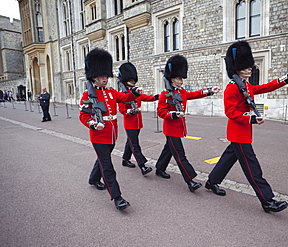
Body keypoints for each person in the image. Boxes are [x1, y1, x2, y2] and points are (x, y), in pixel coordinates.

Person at [205, 41, 288, 213]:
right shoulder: (232, 88)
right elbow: (231, 112)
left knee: (228, 158)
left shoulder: (246, 85)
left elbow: (265, 87)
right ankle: (267, 200)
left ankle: (212, 181)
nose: (250, 68)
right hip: (238, 134)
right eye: (246, 66)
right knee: (253, 167)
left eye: (250, 66)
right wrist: (250, 119)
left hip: (242, 133)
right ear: (237, 68)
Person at [79, 48, 143, 210]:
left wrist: (135, 92)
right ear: (94, 76)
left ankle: (93, 179)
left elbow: (125, 98)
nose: (105, 78)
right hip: (99, 135)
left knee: (103, 159)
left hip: (112, 134)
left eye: (106, 75)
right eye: (102, 76)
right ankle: (117, 197)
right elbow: (83, 116)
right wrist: (93, 124)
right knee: (107, 166)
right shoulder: (88, 95)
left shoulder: (111, 92)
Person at [155, 54, 220, 192]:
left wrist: (209, 91)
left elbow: (194, 94)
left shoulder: (182, 92)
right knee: (180, 155)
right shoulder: (165, 94)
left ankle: (160, 168)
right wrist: (173, 114)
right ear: (172, 79)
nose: (181, 80)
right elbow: (161, 112)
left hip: (179, 128)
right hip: (171, 129)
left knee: (168, 150)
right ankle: (190, 180)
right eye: (179, 78)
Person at [117, 62, 158, 176]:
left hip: (138, 123)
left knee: (130, 142)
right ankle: (142, 166)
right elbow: (122, 109)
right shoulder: (123, 94)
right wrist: (131, 111)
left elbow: (145, 97)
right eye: (131, 80)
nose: (133, 81)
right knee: (135, 145)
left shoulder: (135, 92)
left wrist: (156, 97)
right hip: (130, 124)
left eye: (134, 80)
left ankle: (125, 159)